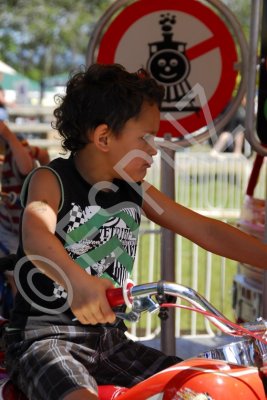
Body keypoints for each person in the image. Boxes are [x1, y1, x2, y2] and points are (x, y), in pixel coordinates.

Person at [4, 64, 267, 400]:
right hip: (46, 338)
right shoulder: (50, 180)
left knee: (195, 390)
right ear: (103, 138)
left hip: (111, 344)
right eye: (144, 137)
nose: (154, 149)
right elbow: (36, 234)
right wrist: (77, 281)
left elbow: (207, 231)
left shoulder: (136, 190)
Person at [0, 121, 50, 315]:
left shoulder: (17, 148)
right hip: (8, 223)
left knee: (17, 275)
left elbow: (26, 167)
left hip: (20, 226)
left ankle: (19, 319)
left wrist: (7, 134)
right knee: (15, 273)